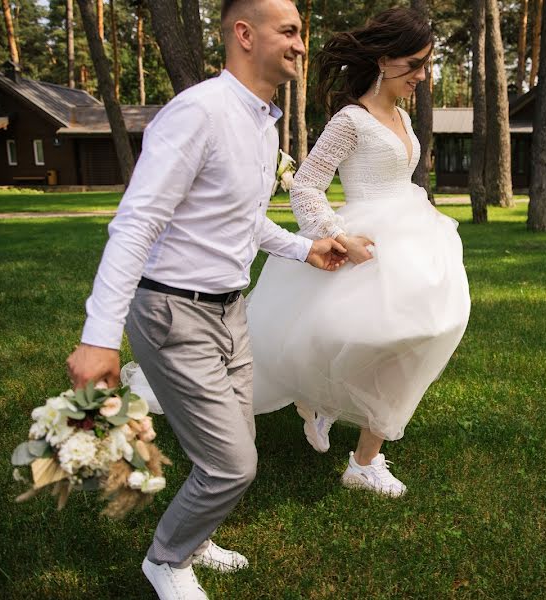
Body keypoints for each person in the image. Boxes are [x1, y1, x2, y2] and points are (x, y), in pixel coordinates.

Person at [65, 0, 346, 598]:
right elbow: (137, 224)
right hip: (173, 312)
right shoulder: (200, 112)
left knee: (232, 440)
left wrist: (305, 248)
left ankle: (194, 536)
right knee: (232, 465)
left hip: (229, 310)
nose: (301, 44)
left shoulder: (259, 121)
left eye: (301, 33)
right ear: (245, 34)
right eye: (290, 31)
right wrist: (97, 336)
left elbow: (238, 220)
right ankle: (166, 559)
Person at [246, 7, 471, 497]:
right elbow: (305, 186)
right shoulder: (352, 119)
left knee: (429, 328)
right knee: (386, 336)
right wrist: (335, 233)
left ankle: (336, 414)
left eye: (425, 64)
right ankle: (361, 458)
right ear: (385, 60)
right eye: (414, 64)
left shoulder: (404, 118)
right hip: (366, 239)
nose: (422, 76)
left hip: (412, 236)